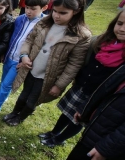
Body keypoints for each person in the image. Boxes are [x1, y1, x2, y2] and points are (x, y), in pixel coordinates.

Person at [3, 0, 92, 126]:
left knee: (33, 99)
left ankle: (20, 118)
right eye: (54, 11)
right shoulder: (44, 22)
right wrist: (24, 55)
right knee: (24, 94)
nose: (56, 15)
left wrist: (59, 85)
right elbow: (30, 40)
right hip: (31, 69)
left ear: (76, 11)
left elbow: (74, 64)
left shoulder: (81, 36)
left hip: (48, 77)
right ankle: (14, 113)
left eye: (63, 13)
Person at [39, 10, 125, 148]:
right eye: (120, 23)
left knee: (78, 120)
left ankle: (59, 139)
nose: (122, 29)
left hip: (96, 97)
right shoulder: (102, 42)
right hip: (82, 86)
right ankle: (53, 132)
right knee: (67, 113)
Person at [41, 65, 125, 160]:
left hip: (115, 134)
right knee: (80, 151)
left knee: (84, 159)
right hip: (103, 120)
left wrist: (105, 148)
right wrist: (85, 109)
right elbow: (106, 87)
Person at [0, 0, 49, 118]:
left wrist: (26, 59)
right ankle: (3, 97)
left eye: (33, 9)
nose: (29, 11)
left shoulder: (45, 25)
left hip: (20, 62)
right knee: (4, 82)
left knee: (7, 84)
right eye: (27, 7)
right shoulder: (19, 19)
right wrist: (4, 54)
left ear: (44, 7)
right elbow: (11, 38)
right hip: (9, 57)